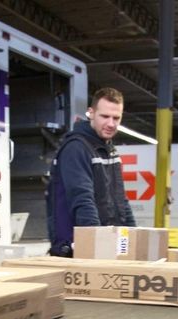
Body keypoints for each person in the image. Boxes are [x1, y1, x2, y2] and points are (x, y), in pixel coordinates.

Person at [46, 87, 136, 257]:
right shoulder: (76, 148)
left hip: (105, 246)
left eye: (116, 118)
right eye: (105, 116)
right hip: (76, 250)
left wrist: (133, 239)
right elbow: (82, 199)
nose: (111, 124)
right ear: (91, 113)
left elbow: (121, 200)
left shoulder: (108, 149)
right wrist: (97, 246)